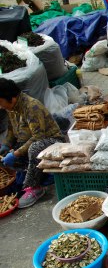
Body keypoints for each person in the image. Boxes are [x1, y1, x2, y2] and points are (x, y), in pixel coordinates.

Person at [0, 78, 65, 208]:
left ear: (11, 98)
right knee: (10, 155)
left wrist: (16, 153)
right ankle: (36, 177)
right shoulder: (11, 109)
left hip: (52, 142)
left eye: (0, 102)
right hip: (31, 143)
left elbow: (38, 137)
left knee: (34, 148)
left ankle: (34, 187)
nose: (0, 106)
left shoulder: (31, 106)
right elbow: (12, 131)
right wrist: (5, 146)